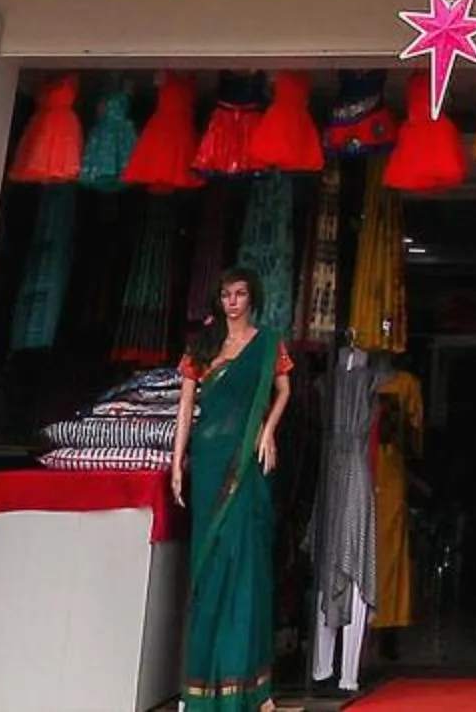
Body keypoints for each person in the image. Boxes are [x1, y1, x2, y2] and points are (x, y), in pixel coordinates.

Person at [174, 267, 293, 712]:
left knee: (246, 563)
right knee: (209, 566)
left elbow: (283, 389)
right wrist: (176, 462)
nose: (233, 302)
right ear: (218, 300)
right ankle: (202, 688)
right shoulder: (202, 346)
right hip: (208, 462)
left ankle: (251, 687)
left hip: (248, 461)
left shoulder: (267, 344)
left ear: (252, 298)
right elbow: (186, 408)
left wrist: (268, 431)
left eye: (241, 294)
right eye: (226, 294)